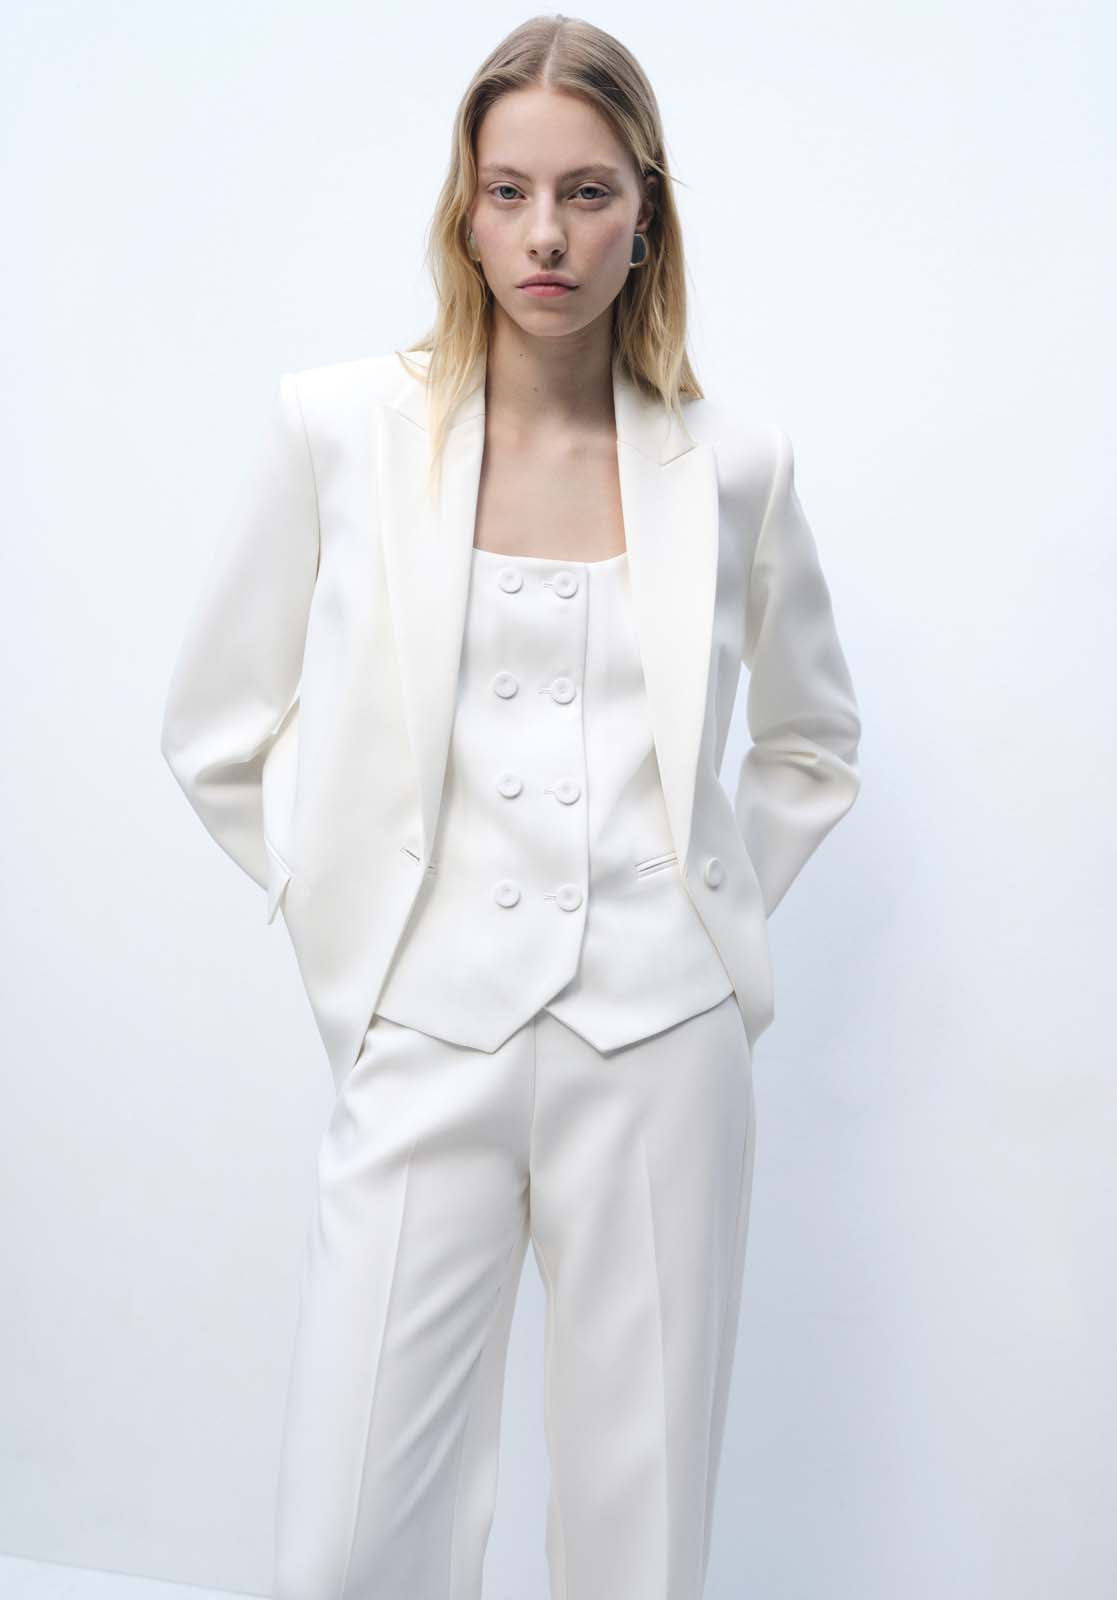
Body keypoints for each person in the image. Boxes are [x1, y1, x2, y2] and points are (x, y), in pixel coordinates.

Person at [159, 14, 862, 1599]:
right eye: (511, 191)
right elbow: (215, 728)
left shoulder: (736, 466)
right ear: (465, 211)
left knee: (640, 1533)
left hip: (661, 1046)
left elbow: (812, 739)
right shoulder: (341, 431)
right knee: (349, 1534)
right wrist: (350, 927)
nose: (547, 233)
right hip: (426, 1031)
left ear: (646, 213)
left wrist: (712, 910)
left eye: (589, 192)